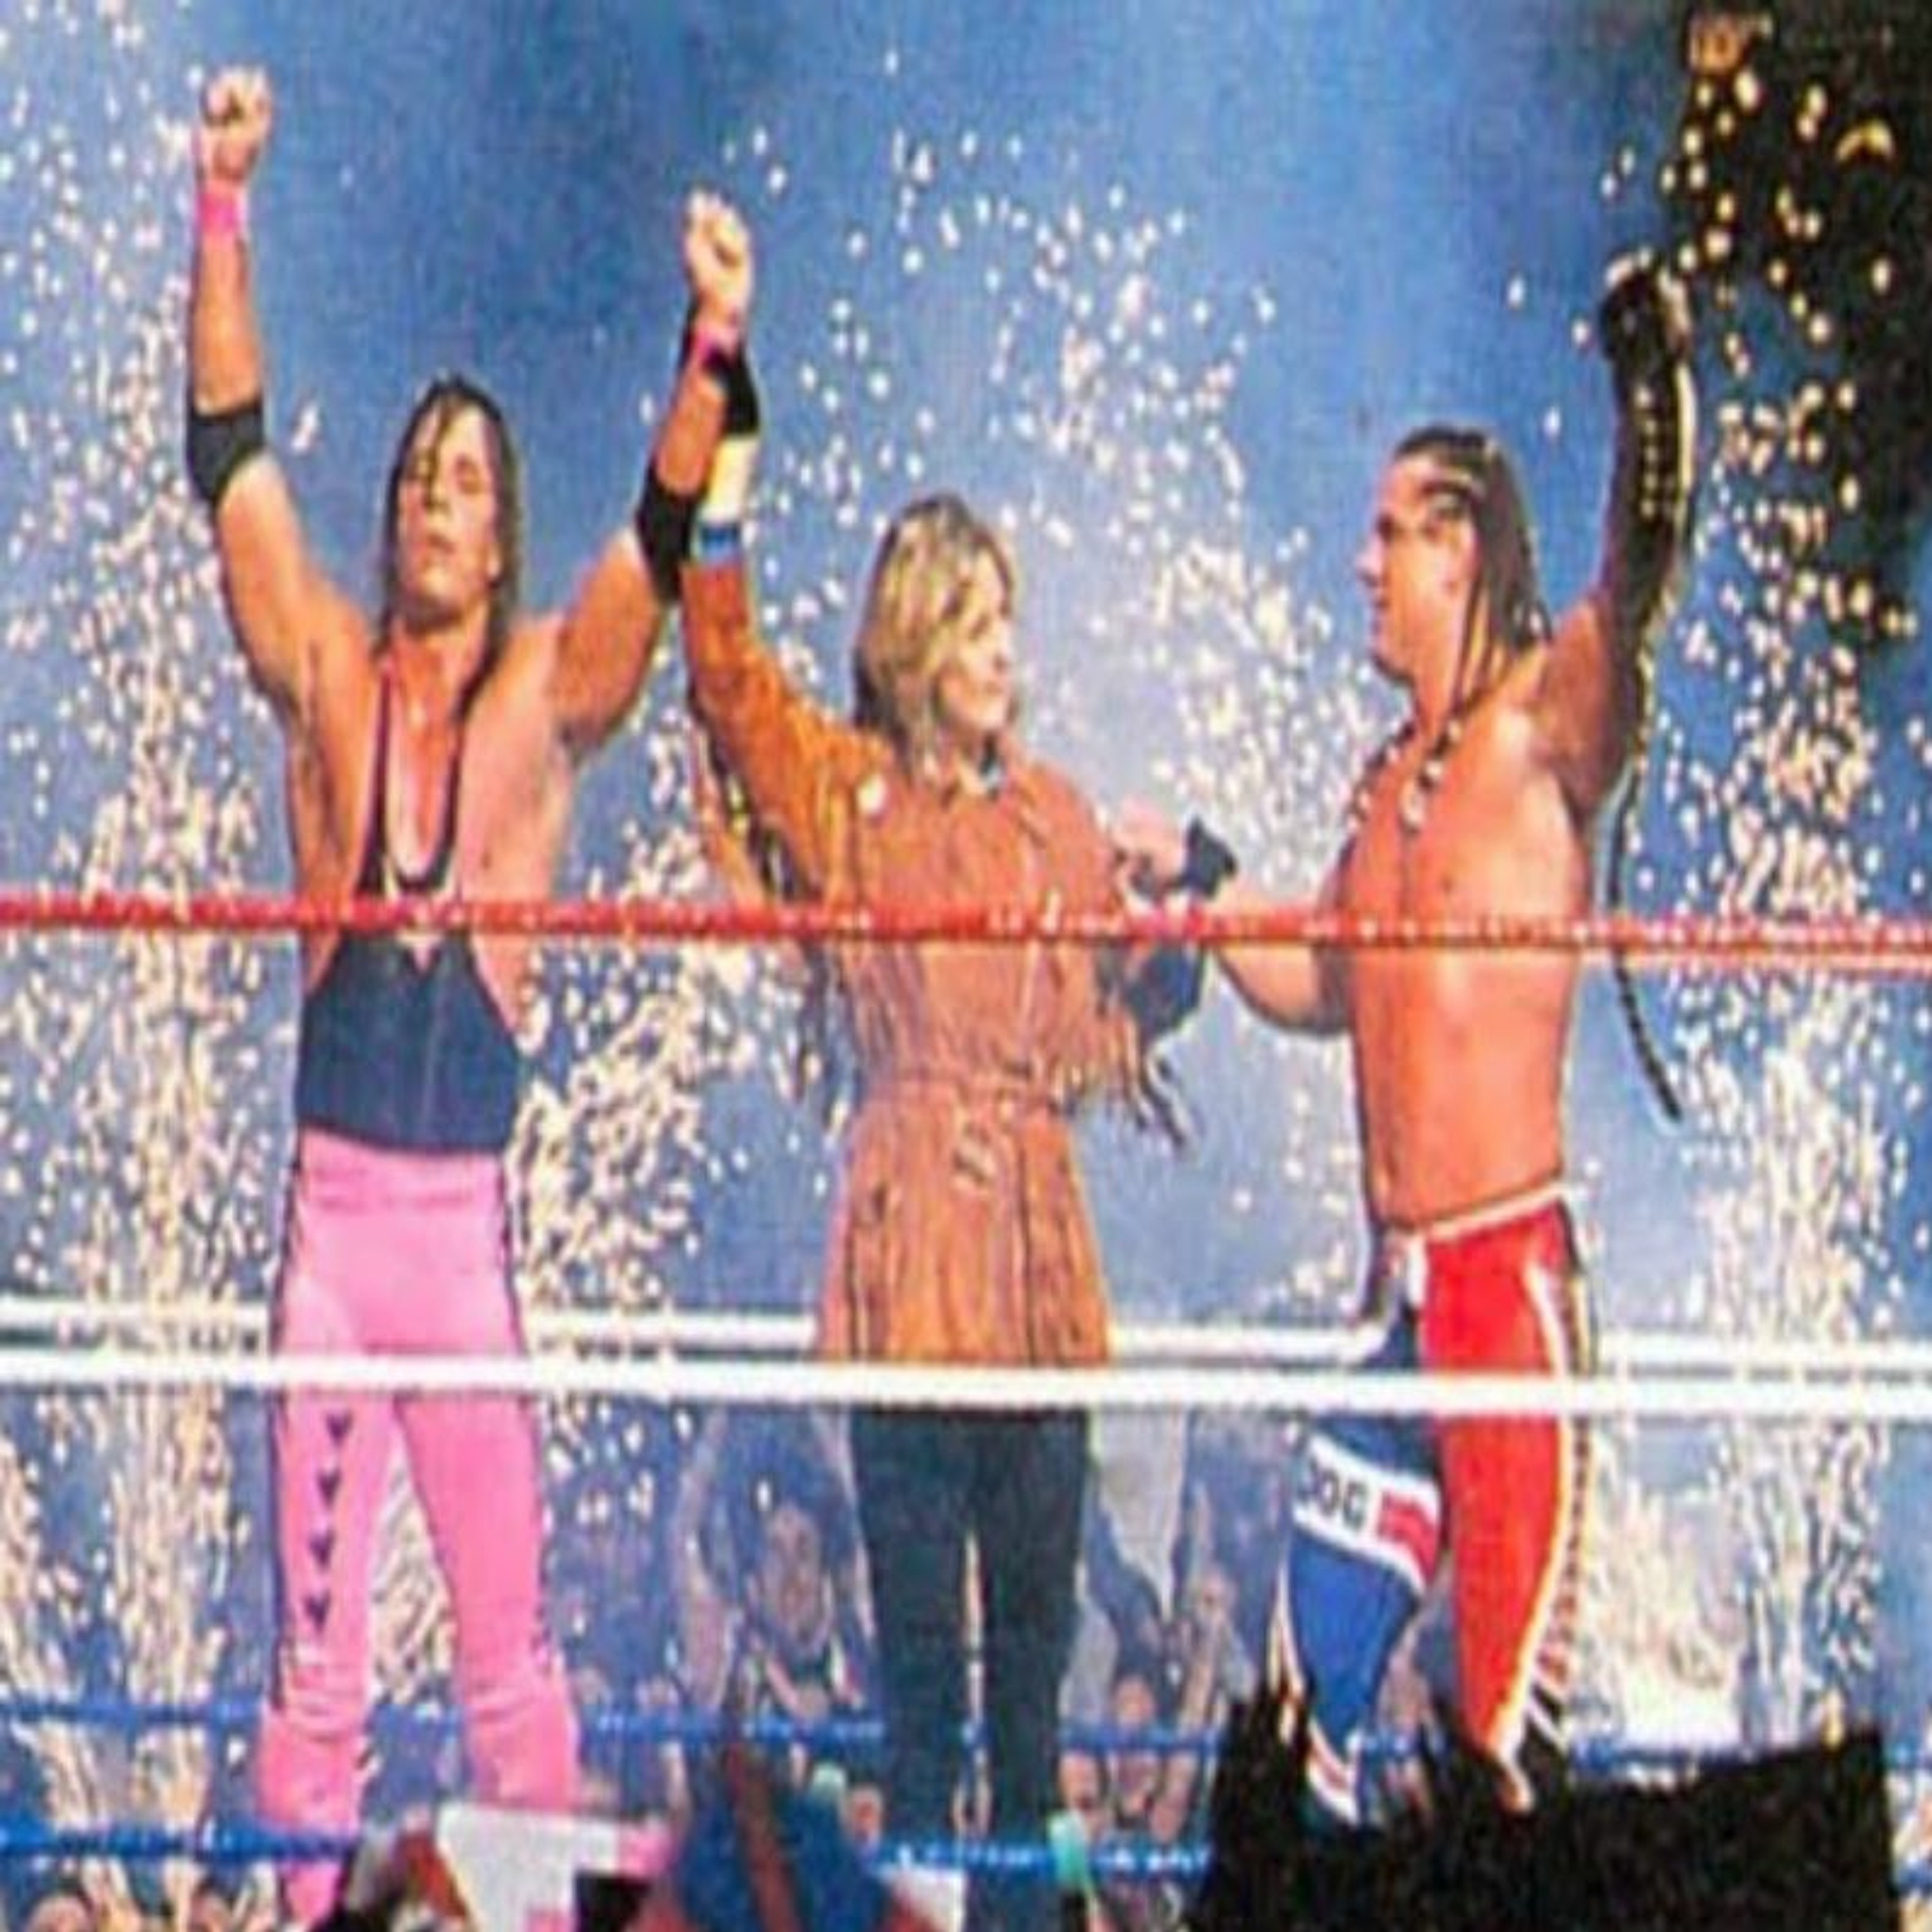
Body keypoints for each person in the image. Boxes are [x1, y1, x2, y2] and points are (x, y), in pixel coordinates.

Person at [186, 70, 749, 1920]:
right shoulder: (324, 674)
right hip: (336, 1243)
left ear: (499, 538)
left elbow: (652, 552)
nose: (437, 503)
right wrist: (221, 206)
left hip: (462, 1244)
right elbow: (230, 461)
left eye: (468, 485)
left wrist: (712, 342)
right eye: (420, 476)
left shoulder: (536, 707)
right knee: (314, 1671)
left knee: (514, 1667)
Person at [653, 218, 1208, 1932]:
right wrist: (720, 381)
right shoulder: (848, 798)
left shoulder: (1052, 816)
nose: (1001, 652)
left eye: (1007, 621)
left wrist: (1187, 912)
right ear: (916, 643)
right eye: (973, 623)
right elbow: (725, 671)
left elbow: (1136, 1007)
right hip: (908, 1262)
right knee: (919, 1691)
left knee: (1035, 1685)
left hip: (1036, 1264)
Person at [1121, 256, 1697, 1824]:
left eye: (1390, 534)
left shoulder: (1541, 726)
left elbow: (1637, 577)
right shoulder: (1386, 785)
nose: (1362, 564)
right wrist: (1202, 896)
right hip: (1397, 1305)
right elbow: (1329, 977)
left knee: (1498, 1748)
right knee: (1297, 1711)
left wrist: (1649, 399)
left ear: (1460, 551)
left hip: (1508, 1294)